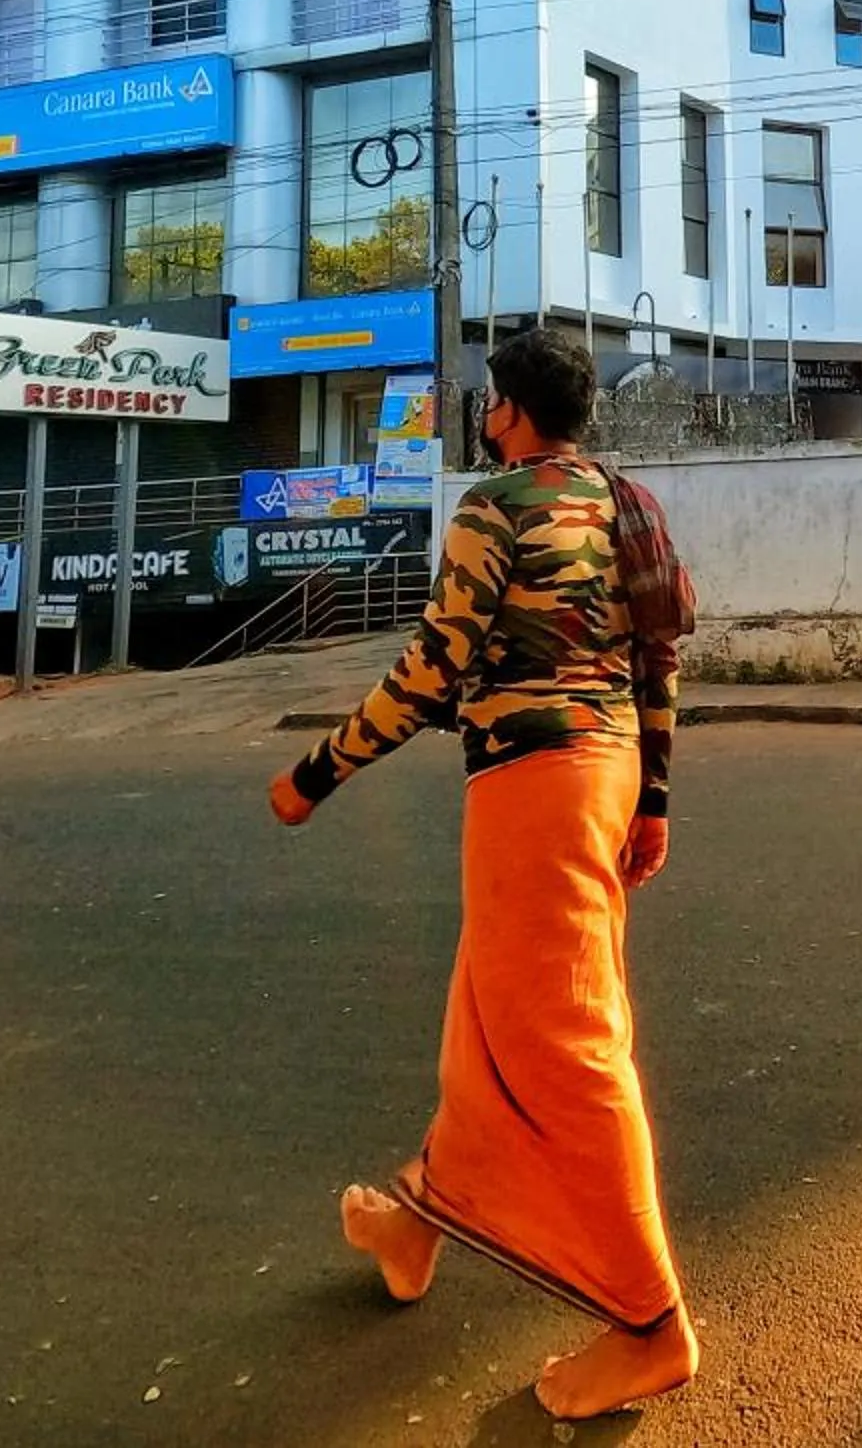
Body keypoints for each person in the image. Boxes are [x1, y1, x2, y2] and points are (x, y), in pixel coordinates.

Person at [267, 328, 696, 1422]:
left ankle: (652, 1325)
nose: (484, 414)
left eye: (489, 400)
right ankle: (418, 1225)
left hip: (536, 784)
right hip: (597, 773)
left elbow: (433, 667)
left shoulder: (496, 506)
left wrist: (319, 770)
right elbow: (656, 662)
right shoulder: (620, 500)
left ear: (507, 410)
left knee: (561, 1038)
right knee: (486, 1022)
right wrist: (651, 798)